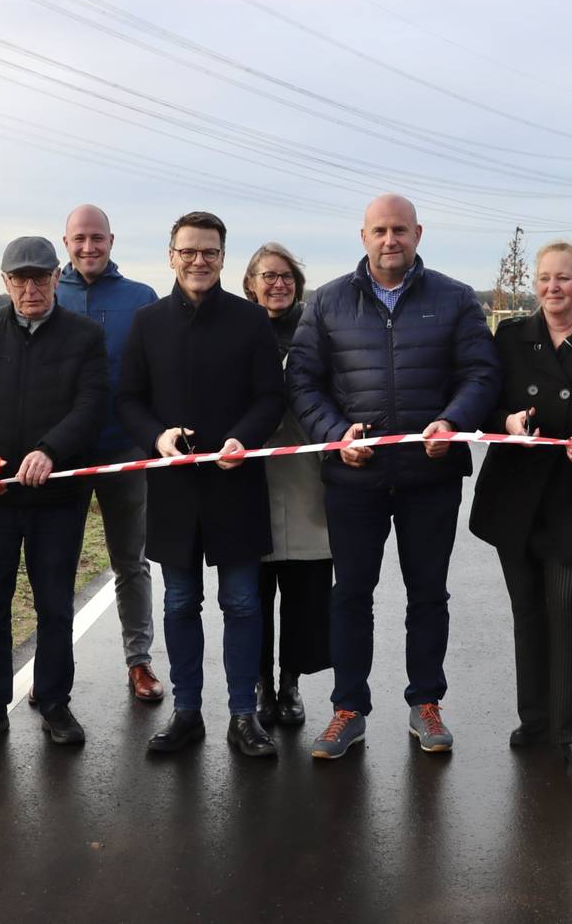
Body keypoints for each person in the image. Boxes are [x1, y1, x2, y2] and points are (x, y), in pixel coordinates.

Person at [287, 194, 500, 760]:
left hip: (431, 476)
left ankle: (426, 703)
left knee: (428, 594)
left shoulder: (456, 298)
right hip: (354, 478)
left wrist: (453, 421)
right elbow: (303, 382)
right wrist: (336, 435)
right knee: (351, 594)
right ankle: (348, 709)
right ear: (363, 236)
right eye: (380, 230)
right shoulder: (327, 301)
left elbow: (481, 374)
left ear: (418, 234)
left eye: (400, 230)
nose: (390, 240)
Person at [117, 212, 285, 757]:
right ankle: (187, 712)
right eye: (188, 251)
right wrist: (156, 436)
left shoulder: (250, 321)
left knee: (242, 604)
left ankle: (243, 716)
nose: (198, 261)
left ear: (222, 258)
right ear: (171, 256)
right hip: (174, 489)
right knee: (180, 603)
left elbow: (271, 397)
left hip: (236, 483)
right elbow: (128, 400)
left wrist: (242, 438)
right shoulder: (147, 323)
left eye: (209, 252)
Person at [469, 242, 572, 783]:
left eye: (564, 278)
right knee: (528, 609)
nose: (552, 287)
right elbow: (486, 404)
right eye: (544, 278)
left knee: (567, 606)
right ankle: (535, 718)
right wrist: (508, 422)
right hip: (517, 497)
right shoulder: (510, 337)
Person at [0, 237, 108, 747]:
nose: (30, 288)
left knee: (54, 606)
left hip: (56, 501)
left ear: (57, 277)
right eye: (19, 278)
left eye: (39, 277)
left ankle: (54, 702)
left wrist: (51, 450)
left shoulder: (84, 336)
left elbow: (92, 405)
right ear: (5, 281)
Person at [58, 204, 162, 702]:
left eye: (97, 238)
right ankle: (53, 667)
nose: (88, 247)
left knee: (130, 562)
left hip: (125, 451)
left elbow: (158, 374)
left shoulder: (141, 299)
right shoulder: (48, 293)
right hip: (62, 457)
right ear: (66, 243)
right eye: (79, 238)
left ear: (111, 241)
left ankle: (139, 661)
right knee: (56, 564)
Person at [241, 242, 332, 729]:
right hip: (250, 475)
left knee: (304, 592)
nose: (278, 284)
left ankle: (291, 682)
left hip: (306, 475)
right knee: (253, 592)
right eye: (268, 276)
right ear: (250, 283)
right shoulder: (238, 329)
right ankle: (260, 684)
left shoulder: (317, 331)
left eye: (286, 276)